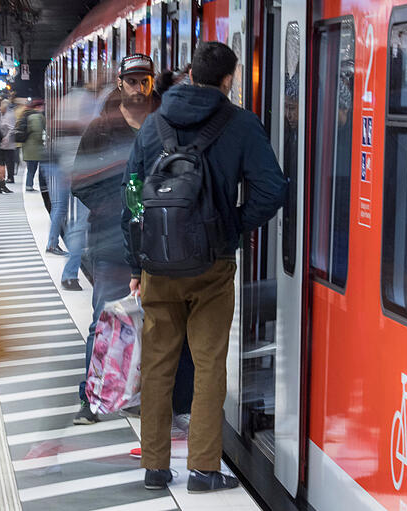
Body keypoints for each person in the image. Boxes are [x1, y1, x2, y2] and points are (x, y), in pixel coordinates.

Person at [123, 42, 287, 492]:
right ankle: (203, 469)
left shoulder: (153, 124)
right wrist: (232, 226)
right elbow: (272, 189)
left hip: (158, 264)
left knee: (158, 364)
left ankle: (155, 467)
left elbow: (132, 192)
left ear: (191, 74)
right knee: (210, 363)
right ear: (229, 80)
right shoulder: (242, 124)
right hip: (212, 265)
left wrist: (136, 260)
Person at [72, 53, 160, 425]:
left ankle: (139, 392)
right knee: (103, 321)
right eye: (132, 81)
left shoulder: (164, 125)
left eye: (145, 81)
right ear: (120, 83)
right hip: (111, 241)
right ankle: (91, 398)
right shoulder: (100, 128)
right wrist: (117, 209)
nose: (138, 88)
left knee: (155, 323)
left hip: (158, 243)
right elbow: (79, 180)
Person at [22, 99, 49, 206]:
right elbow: (38, 132)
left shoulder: (28, 115)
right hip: (34, 147)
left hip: (29, 147)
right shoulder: (37, 117)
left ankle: (29, 184)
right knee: (34, 168)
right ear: (38, 107)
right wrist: (42, 141)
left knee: (31, 168)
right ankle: (29, 185)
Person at [0, 99, 18, 184]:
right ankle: (4, 177)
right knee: (4, 160)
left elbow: (11, 128)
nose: (0, 107)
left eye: (1, 105)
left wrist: (6, 137)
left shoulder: (9, 115)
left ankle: (10, 177)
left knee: (9, 160)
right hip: (4, 142)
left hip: (8, 142)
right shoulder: (2, 114)